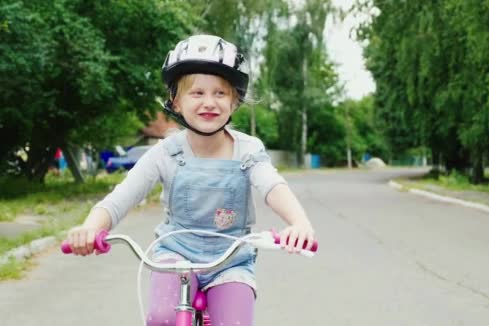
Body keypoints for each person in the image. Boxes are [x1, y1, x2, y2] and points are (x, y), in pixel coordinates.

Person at [66, 34, 316, 326]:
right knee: (162, 318)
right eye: (197, 93)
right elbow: (119, 199)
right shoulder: (165, 153)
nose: (209, 102)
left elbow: (273, 187)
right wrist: (90, 229)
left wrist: (299, 224)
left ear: (235, 101)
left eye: (220, 93)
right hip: (176, 256)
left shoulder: (247, 150)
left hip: (231, 261)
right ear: (176, 101)